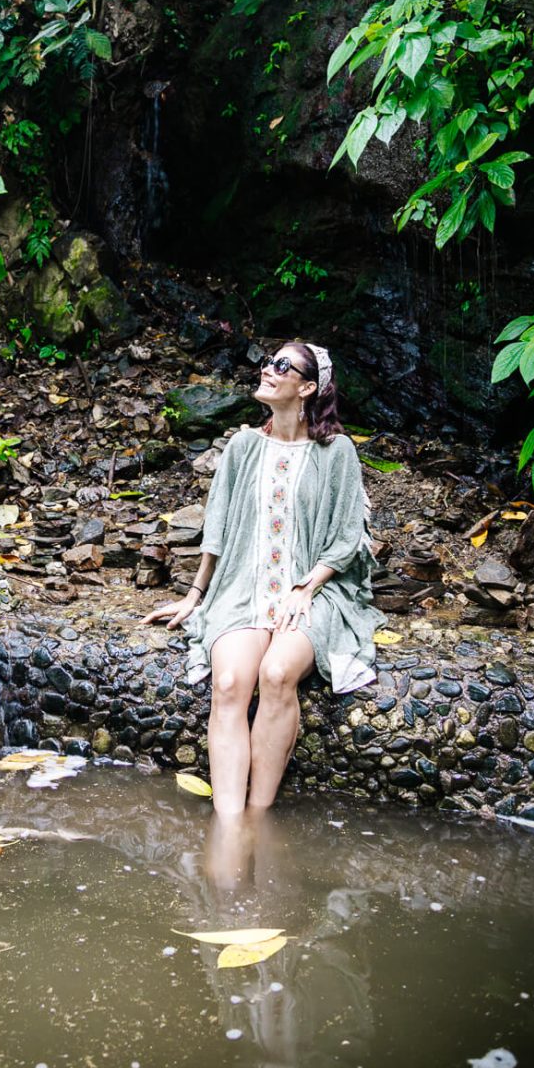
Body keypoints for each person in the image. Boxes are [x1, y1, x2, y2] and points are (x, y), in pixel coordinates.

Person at [143, 342, 383, 814]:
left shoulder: (337, 453)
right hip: (243, 589)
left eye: (281, 366)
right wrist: (195, 594)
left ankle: (257, 816)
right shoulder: (243, 445)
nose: (267, 371)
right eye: (268, 363)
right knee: (230, 681)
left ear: (308, 386)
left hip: (315, 592)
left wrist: (306, 586)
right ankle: (229, 825)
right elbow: (218, 527)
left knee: (276, 674)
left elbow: (348, 535)